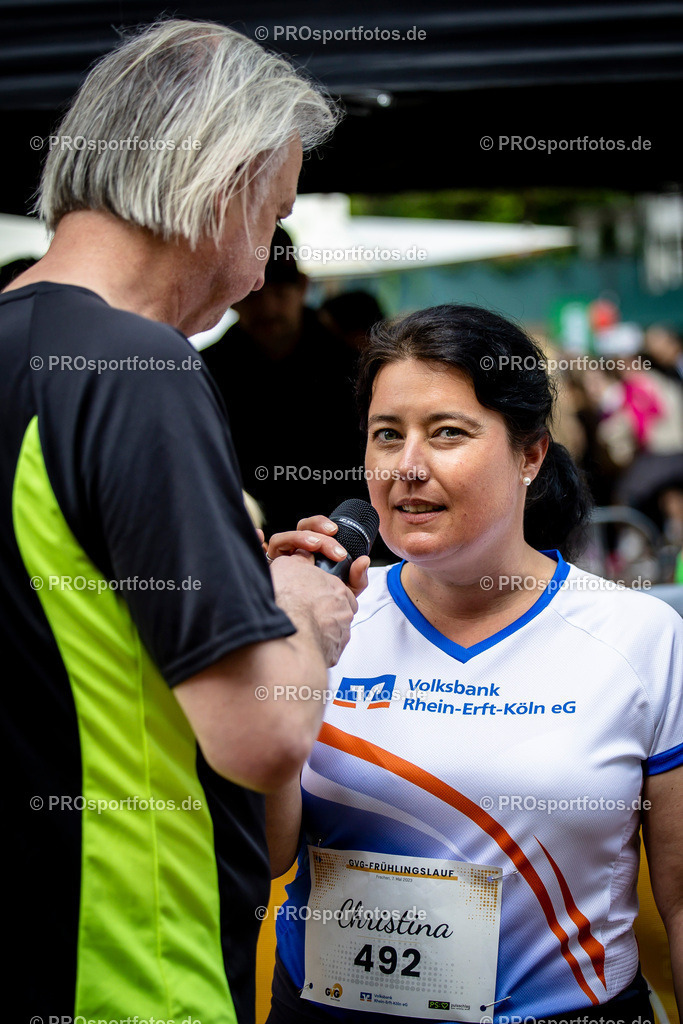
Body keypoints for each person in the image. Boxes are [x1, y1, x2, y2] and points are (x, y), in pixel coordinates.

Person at [2, 19, 369, 1024]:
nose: (258, 272)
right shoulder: (142, 368)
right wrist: (297, 607)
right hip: (126, 965)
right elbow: (263, 731)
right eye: (275, 213)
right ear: (227, 177)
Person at [263, 305, 683, 1024]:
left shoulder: (637, 633)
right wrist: (274, 648)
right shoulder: (326, 618)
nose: (407, 466)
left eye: (447, 432)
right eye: (386, 435)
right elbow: (263, 856)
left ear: (530, 455)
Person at [203, 226, 366, 535]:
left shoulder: (352, 365)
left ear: (302, 286)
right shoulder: (207, 371)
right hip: (247, 540)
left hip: (344, 537)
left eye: (279, 292)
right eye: (253, 294)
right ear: (231, 297)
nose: (267, 309)